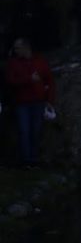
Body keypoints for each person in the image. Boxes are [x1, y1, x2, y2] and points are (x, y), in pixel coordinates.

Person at [4, 37, 55, 167]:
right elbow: (11, 81)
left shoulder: (40, 61)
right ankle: (26, 160)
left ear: (26, 48)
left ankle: (33, 158)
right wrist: (29, 79)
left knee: (35, 131)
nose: (15, 51)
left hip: (38, 102)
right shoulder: (13, 63)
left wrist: (49, 100)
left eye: (17, 48)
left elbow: (49, 81)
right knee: (24, 130)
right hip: (22, 103)